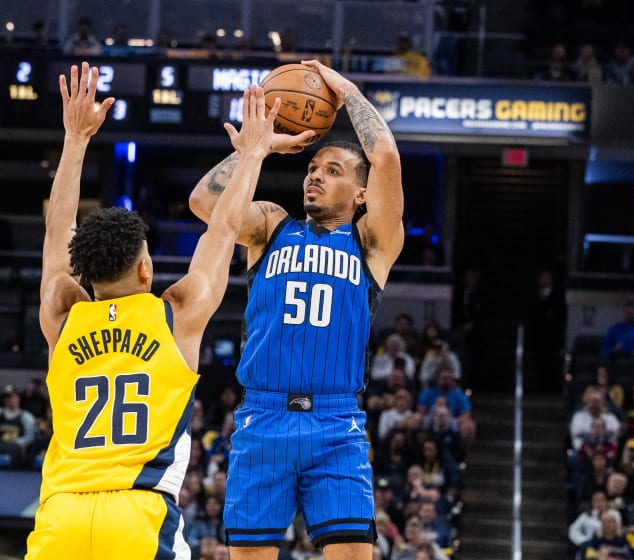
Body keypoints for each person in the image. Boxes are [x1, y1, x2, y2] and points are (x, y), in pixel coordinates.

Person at [25, 62, 281, 559]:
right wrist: (253, 153)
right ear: (146, 270)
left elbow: (57, 230)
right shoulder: (177, 314)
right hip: (138, 518)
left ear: (85, 275)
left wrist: (75, 139)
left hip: (62, 515)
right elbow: (225, 228)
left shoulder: (62, 311)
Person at [189, 59, 404, 558]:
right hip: (262, 418)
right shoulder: (270, 226)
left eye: (333, 171)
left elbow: (387, 157)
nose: (315, 177)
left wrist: (346, 90)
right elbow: (204, 201)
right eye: (311, 168)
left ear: (362, 193)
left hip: (336, 423)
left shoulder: (371, 241)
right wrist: (256, 149)